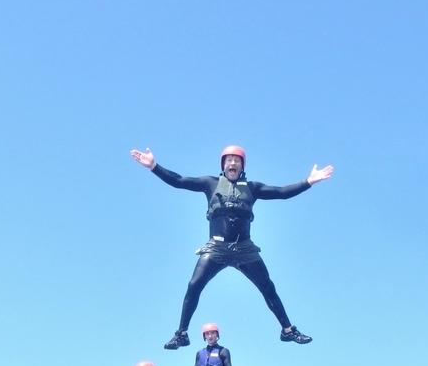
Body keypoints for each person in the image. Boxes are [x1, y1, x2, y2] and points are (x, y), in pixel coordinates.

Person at [130, 145, 333, 350]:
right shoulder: (210, 183)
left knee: (268, 288)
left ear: (242, 165)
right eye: (229, 160)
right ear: (223, 165)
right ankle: (182, 334)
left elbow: (281, 192)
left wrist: (308, 181)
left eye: (237, 160)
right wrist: (154, 166)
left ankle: (288, 331)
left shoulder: (253, 188)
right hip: (216, 249)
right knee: (194, 285)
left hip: (244, 249)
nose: (233, 163)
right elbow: (180, 181)